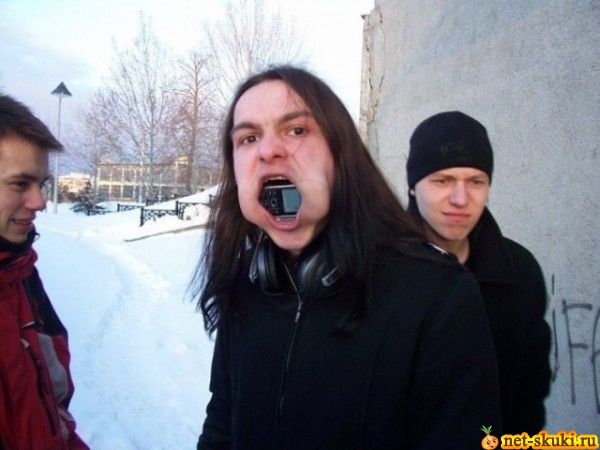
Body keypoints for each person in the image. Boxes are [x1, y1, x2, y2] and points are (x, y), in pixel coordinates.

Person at [193, 66, 502, 450]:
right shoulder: (247, 283)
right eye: (249, 138)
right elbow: (222, 422)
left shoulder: (438, 295)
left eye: (296, 130)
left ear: (341, 156)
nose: (267, 150)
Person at [405, 111, 551, 434]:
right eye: (442, 180)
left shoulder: (519, 273)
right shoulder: (378, 273)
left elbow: (530, 397)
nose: (460, 199)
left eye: (476, 182)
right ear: (414, 186)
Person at [0, 95, 89, 449]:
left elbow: (51, 411)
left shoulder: (20, 274)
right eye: (20, 184)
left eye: (42, 184)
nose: (39, 201)